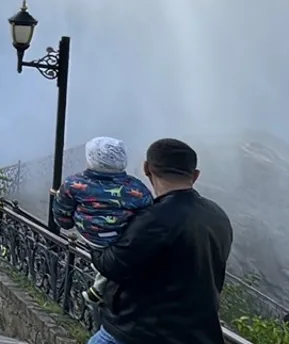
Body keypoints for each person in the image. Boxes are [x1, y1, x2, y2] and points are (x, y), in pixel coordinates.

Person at [87, 138, 233, 344]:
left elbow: (111, 265)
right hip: (198, 335)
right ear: (195, 175)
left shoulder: (152, 218)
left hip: (138, 332)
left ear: (147, 169)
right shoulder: (217, 215)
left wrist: (93, 236)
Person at [50, 136, 153, 304]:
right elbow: (148, 213)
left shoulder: (73, 183)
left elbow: (62, 209)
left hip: (92, 235)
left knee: (105, 255)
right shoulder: (136, 187)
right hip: (123, 238)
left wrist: (65, 224)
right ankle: (101, 285)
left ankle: (99, 284)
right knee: (122, 255)